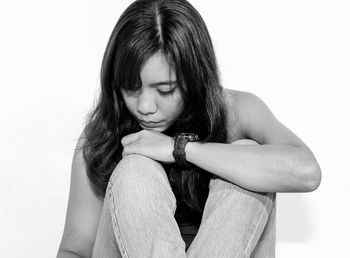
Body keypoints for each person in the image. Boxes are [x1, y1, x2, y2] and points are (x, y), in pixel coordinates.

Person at [57, 0, 322, 257]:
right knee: (135, 168)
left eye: (165, 90)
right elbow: (75, 250)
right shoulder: (105, 134)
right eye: (131, 88)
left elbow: (306, 172)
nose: (146, 106)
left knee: (248, 155)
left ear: (194, 76)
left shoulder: (237, 113)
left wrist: (179, 149)